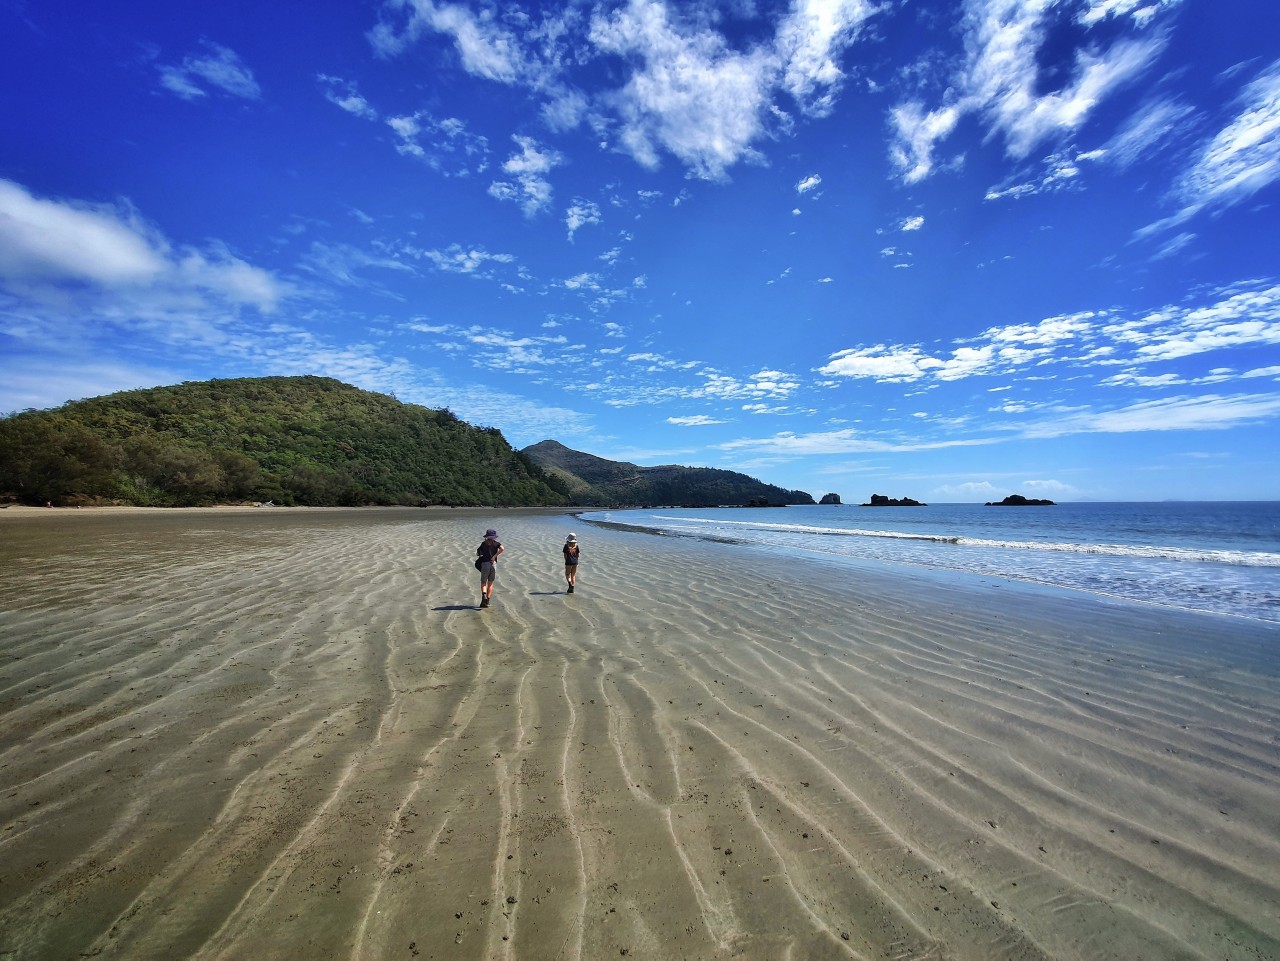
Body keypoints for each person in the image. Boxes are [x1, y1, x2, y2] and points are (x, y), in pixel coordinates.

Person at [476, 528, 504, 608]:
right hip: (493, 564)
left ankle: (483, 596)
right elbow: (502, 548)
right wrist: (494, 556)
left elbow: (478, 553)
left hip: (485, 564)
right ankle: (487, 601)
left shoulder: (483, 544)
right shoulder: (496, 543)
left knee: (483, 582)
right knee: (490, 583)